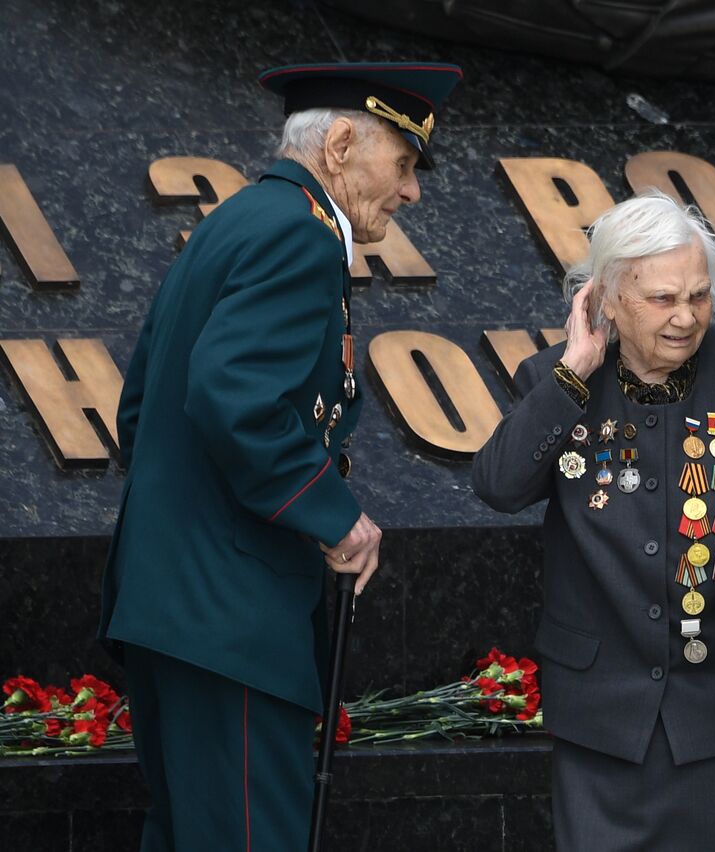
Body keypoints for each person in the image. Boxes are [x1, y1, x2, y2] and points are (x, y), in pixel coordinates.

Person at [98, 62, 462, 850]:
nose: (411, 192)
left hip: (176, 607)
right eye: (403, 165)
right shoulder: (300, 232)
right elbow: (233, 394)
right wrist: (334, 515)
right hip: (232, 619)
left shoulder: (240, 219)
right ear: (339, 144)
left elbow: (140, 409)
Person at [472, 190, 715, 851]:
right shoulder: (558, 378)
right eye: (663, 299)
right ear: (611, 297)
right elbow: (498, 487)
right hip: (601, 715)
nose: (686, 317)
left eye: (699, 296)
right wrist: (572, 374)